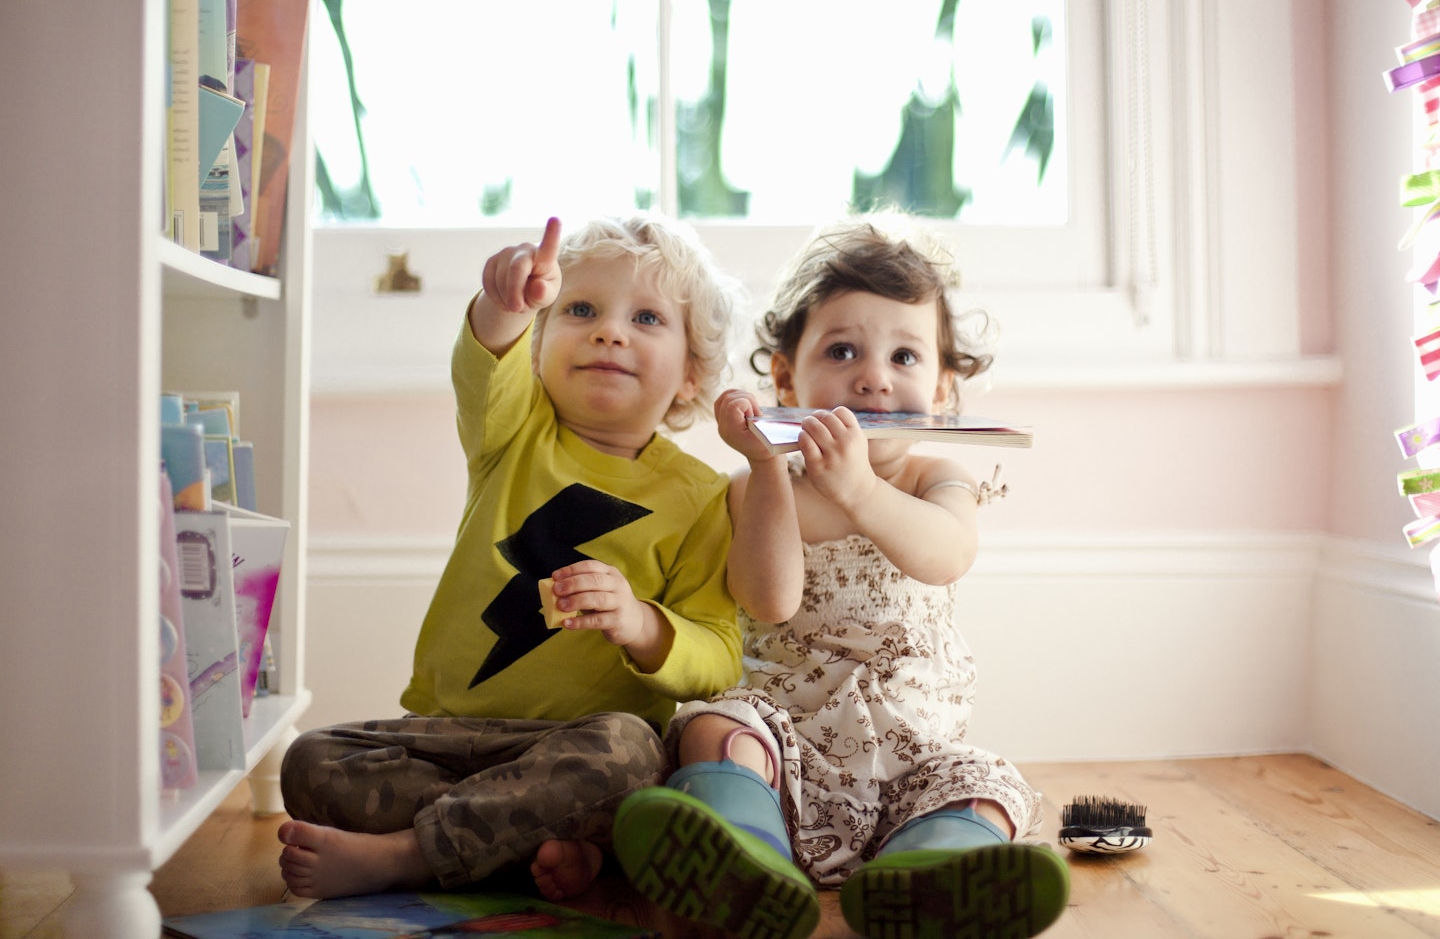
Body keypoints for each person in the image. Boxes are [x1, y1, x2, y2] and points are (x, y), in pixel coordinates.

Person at [612, 214, 1070, 939]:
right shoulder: (760, 486)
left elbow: (945, 553)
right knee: (711, 728)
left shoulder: (937, 479)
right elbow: (770, 597)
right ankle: (745, 857)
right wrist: (766, 466)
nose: (874, 376)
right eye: (844, 350)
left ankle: (927, 874)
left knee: (985, 789)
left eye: (906, 357)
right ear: (788, 378)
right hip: (786, 747)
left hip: (914, 754)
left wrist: (861, 492)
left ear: (946, 392)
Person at [277, 214, 744, 904]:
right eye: (580, 310)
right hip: (443, 735)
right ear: (539, 345)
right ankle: (539, 846)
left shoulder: (704, 499)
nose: (609, 330)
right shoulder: (511, 433)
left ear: (691, 375)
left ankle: (407, 855)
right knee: (309, 761)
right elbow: (483, 362)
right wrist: (505, 305)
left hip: (574, 747)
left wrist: (640, 621)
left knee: (633, 758)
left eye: (647, 318)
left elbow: (720, 655)